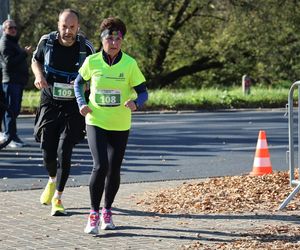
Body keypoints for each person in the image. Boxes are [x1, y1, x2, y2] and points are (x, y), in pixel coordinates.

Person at [74, 16, 148, 234]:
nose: (113, 42)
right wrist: (81, 103)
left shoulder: (130, 64)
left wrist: (137, 103)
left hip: (120, 123)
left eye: (118, 39)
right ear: (102, 39)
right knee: (100, 166)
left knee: (114, 169)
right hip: (96, 120)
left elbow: (143, 91)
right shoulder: (92, 61)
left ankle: (107, 211)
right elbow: (78, 83)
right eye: (109, 38)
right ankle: (93, 214)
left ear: (122, 41)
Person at [31, 9, 94, 216]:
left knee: (64, 150)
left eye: (72, 27)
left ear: (78, 27)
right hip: (49, 100)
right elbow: (35, 60)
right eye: (64, 26)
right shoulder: (46, 42)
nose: (68, 31)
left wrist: (88, 87)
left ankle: (58, 197)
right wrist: (39, 75)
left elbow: (97, 71)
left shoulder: (86, 47)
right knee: (47, 150)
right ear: (58, 25)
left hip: (73, 104)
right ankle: (51, 179)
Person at [0, 19, 32, 147]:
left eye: (14, 28)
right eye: (10, 28)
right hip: (10, 81)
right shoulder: (4, 42)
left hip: (17, 81)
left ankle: (13, 135)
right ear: (4, 30)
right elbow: (9, 63)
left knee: (14, 110)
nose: (13, 30)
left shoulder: (13, 42)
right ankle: (9, 136)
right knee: (10, 110)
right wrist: (24, 53)